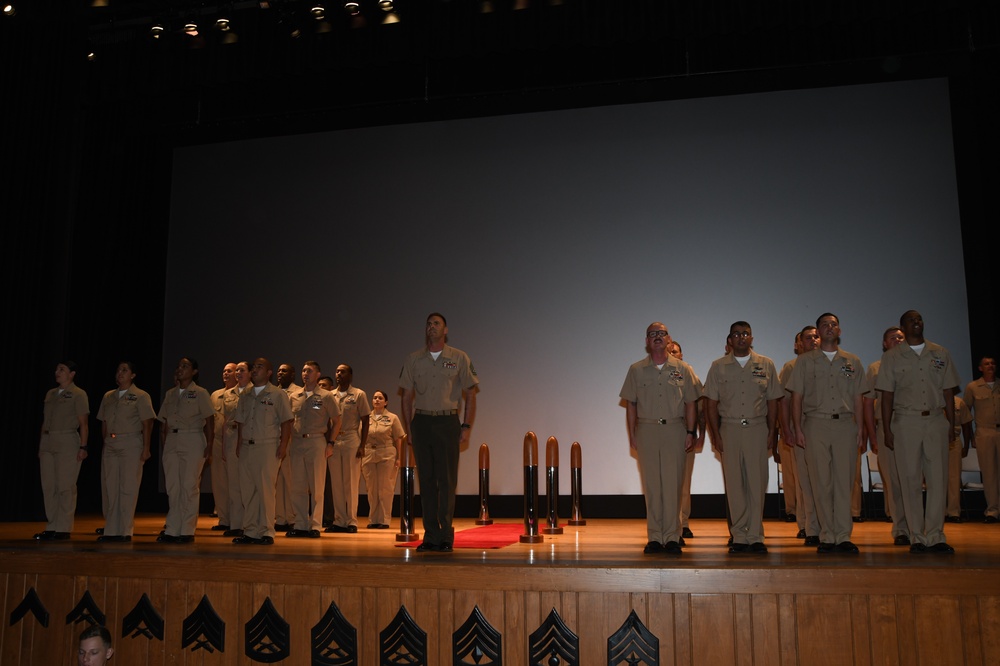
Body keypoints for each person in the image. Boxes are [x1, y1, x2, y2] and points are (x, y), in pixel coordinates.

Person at [876, 310, 962, 553]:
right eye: (912, 320)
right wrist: (888, 429)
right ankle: (916, 536)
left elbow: (948, 391)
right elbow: (887, 395)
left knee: (937, 480)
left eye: (920, 319)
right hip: (905, 421)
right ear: (903, 327)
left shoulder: (940, 352)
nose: (917, 322)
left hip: (936, 420)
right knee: (910, 479)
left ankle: (935, 535)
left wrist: (950, 424)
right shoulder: (892, 357)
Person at [787, 314, 868, 553]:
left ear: (839, 330)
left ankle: (843, 535)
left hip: (845, 425)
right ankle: (826, 536)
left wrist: (861, 428)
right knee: (821, 483)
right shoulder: (805, 362)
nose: (829, 328)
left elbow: (858, 397)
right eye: (824, 325)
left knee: (844, 482)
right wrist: (798, 428)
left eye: (833, 324)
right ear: (818, 331)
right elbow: (796, 397)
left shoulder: (852, 361)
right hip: (815, 425)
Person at [399, 312, 479, 552]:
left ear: (445, 330)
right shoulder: (414, 359)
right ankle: (431, 535)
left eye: (436, 324)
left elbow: (470, 394)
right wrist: (409, 427)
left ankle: (445, 536)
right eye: (428, 324)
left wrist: (466, 426)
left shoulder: (459, 358)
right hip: (422, 423)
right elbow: (406, 396)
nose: (431, 327)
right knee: (426, 481)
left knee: (446, 481)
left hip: (447, 423)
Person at [620, 323, 701, 555]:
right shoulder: (636, 370)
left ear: (669, 339)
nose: (657, 337)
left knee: (674, 485)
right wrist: (632, 435)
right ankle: (655, 537)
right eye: (652, 334)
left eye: (661, 334)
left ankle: (673, 536)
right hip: (647, 430)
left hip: (675, 429)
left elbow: (691, 403)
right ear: (647, 341)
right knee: (652, 486)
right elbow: (631, 404)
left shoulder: (683, 369)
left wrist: (690, 432)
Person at [703, 321, 783, 553]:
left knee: (757, 483)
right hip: (729, 428)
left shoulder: (766, 364)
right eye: (736, 334)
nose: (741, 337)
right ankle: (739, 535)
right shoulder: (718, 366)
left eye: (745, 333)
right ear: (729, 340)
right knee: (735, 484)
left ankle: (756, 535)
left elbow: (773, 402)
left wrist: (772, 432)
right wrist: (715, 434)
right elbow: (710, 404)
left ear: (751, 338)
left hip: (758, 428)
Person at [232, 358, 293, 545]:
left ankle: (267, 530)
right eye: (254, 367)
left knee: (266, 490)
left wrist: (283, 445)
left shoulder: (277, 394)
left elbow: (286, 421)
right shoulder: (246, 394)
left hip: (267, 446)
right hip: (246, 447)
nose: (255, 369)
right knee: (248, 490)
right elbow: (240, 421)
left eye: (260, 367)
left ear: (269, 373)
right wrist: (239, 443)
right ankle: (250, 531)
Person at [157, 357, 215, 543]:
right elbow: (164, 422)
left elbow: (210, 421)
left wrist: (209, 445)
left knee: (189, 485)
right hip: (173, 440)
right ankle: (172, 528)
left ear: (194, 372)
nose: (180, 369)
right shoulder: (170, 394)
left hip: (192, 438)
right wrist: (165, 443)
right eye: (179, 366)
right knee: (173, 487)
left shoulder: (200, 393)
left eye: (185, 366)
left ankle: (187, 530)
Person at [95, 361, 155, 542]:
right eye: (118, 370)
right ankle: (111, 530)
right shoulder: (109, 396)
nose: (120, 373)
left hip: (131, 442)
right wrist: (105, 442)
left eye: (125, 370)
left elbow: (147, 423)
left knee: (128, 487)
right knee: (111, 487)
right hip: (111, 443)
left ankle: (125, 531)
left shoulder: (140, 396)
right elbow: (104, 422)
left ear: (133, 375)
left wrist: (146, 448)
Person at [863, 327, 910, 545]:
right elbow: (868, 404)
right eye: (893, 338)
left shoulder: (914, 364)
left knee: (914, 479)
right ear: (884, 344)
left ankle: (918, 526)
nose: (897, 341)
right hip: (887, 428)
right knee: (893, 481)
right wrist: (873, 436)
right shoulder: (875, 368)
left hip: (912, 425)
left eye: (901, 337)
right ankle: (901, 528)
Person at [35, 361, 89, 540]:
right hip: (48, 440)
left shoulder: (78, 394)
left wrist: (83, 446)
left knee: (65, 485)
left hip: (67, 440)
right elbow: (45, 420)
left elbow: (83, 424)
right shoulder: (50, 394)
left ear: (72, 374)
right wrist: (41, 444)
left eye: (62, 370)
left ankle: (64, 528)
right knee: (48, 485)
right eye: (57, 369)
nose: (57, 372)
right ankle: (52, 525)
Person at [287, 361, 341, 538]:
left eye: (309, 371)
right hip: (296, 443)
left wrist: (331, 442)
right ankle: (301, 524)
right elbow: (288, 421)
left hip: (316, 441)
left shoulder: (325, 396)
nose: (305, 374)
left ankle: (315, 525)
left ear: (318, 374)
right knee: (298, 486)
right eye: (303, 370)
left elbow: (337, 421)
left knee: (317, 486)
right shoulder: (294, 396)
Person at [777, 329, 818, 545]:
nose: (813, 341)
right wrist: (786, 429)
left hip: (822, 427)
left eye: (816, 337)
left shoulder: (826, 364)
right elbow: (783, 400)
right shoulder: (791, 367)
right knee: (804, 480)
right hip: (800, 428)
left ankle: (824, 524)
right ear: (798, 344)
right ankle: (805, 524)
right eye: (808, 338)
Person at [325, 364, 371, 534]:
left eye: (342, 371)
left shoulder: (358, 394)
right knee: (336, 483)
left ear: (350, 375)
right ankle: (339, 520)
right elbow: (326, 421)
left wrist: (362, 445)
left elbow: (366, 421)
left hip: (351, 438)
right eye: (337, 371)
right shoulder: (330, 395)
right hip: (335, 441)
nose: (338, 374)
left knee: (350, 482)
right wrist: (327, 442)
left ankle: (351, 521)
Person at [667, 340, 706, 541]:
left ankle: (683, 523)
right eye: (669, 350)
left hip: (685, 432)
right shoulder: (656, 374)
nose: (672, 353)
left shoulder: (689, 375)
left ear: (682, 355)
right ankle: (666, 525)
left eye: (676, 351)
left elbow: (700, 407)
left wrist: (700, 434)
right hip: (663, 433)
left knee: (683, 482)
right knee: (664, 482)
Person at [964, 356, 1000, 523]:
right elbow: (966, 414)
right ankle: (992, 511)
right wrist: (971, 436)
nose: (990, 366)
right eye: (986, 364)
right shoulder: (973, 387)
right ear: (980, 368)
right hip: (984, 432)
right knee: (989, 474)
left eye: (992, 363)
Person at [363, 389, 406, 529]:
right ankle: (373, 519)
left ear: (386, 402)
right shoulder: (366, 418)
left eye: (380, 398)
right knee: (372, 489)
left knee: (385, 488)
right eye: (375, 397)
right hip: (369, 454)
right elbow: (360, 437)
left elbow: (398, 438)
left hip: (387, 454)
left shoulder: (392, 418)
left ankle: (384, 520)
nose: (377, 400)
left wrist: (399, 458)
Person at [219, 361, 252, 537]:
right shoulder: (228, 394)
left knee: (247, 484)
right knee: (233, 484)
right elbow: (225, 422)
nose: (238, 373)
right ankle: (236, 524)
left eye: (242, 370)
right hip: (232, 438)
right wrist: (224, 447)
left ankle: (249, 524)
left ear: (250, 373)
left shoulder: (254, 392)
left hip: (248, 438)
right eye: (236, 370)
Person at [209, 362, 238, 531]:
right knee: (219, 483)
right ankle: (224, 519)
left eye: (230, 371)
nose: (226, 374)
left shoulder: (242, 393)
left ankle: (236, 520)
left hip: (233, 439)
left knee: (234, 482)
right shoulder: (215, 395)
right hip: (218, 441)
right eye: (224, 371)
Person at [274, 362, 300, 531]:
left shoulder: (298, 392)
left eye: (284, 371)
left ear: (292, 375)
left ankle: (293, 518)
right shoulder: (273, 392)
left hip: (290, 439)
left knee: (291, 480)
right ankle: (280, 518)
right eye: (278, 371)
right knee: (277, 481)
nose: (280, 373)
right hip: (272, 438)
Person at [945, 393, 973, 522]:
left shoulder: (958, 402)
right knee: (935, 478)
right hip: (933, 441)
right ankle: (939, 512)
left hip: (954, 441)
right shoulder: (930, 398)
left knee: (954, 477)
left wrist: (966, 445)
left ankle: (954, 512)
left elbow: (966, 424)